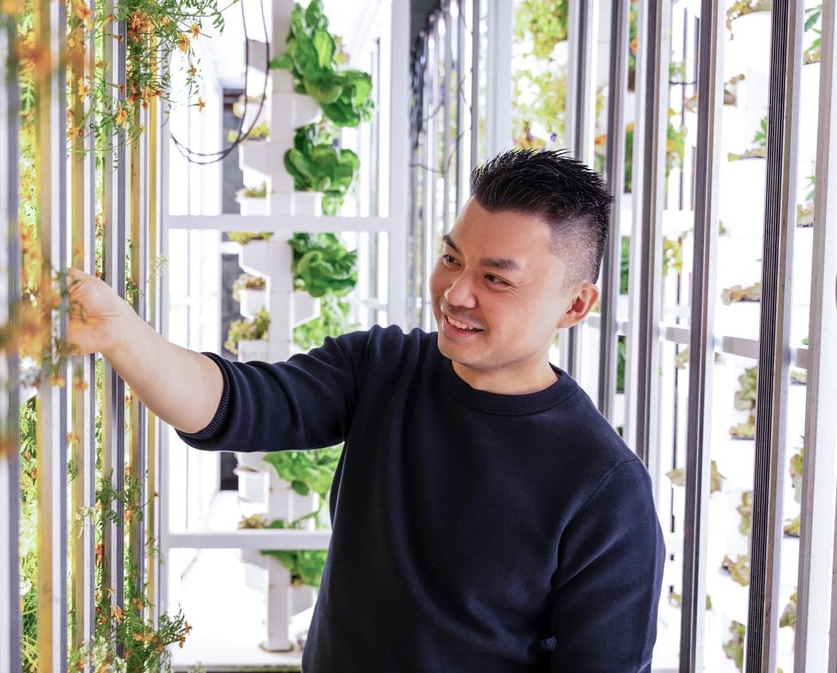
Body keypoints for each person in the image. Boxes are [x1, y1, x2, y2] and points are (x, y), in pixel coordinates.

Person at [68, 148, 666, 673]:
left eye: (496, 279)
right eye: (452, 258)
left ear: (575, 305)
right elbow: (234, 402)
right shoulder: (383, 366)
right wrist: (123, 334)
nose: (456, 293)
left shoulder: (606, 490)